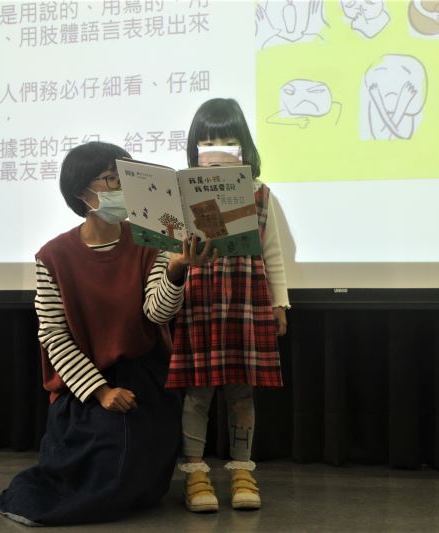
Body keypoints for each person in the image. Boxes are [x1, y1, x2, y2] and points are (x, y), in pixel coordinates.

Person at [0, 141, 214, 526]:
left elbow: (157, 312)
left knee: (129, 465)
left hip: (144, 378)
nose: (122, 188)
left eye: (126, 177)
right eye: (112, 179)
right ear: (82, 192)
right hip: (84, 384)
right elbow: (54, 337)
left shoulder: (150, 241)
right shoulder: (52, 256)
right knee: (95, 462)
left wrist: (177, 269)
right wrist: (101, 391)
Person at [165, 98, 290, 512]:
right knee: (197, 393)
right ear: (195, 149)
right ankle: (195, 472)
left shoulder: (260, 193)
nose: (216, 150)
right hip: (199, 302)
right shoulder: (180, 196)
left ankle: (241, 469)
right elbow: (169, 253)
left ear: (243, 147)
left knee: (241, 392)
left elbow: (273, 253)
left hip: (245, 302)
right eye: (206, 142)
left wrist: (279, 303)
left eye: (227, 142)